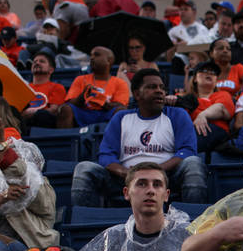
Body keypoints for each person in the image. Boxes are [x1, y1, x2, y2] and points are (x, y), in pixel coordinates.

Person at [72, 68, 206, 207]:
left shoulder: (177, 114)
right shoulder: (121, 118)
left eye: (162, 87)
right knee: (84, 168)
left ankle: (194, 221)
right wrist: (126, 173)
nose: (159, 91)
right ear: (136, 94)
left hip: (167, 177)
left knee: (193, 163)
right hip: (126, 179)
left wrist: (156, 171)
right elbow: (106, 156)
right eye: (151, 87)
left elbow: (187, 151)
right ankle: (85, 220)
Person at [80, 162, 206, 251]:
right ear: (126, 193)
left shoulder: (187, 238)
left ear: (166, 195)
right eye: (142, 184)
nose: (150, 191)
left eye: (157, 185)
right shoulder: (112, 239)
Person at [170, 61, 235, 156]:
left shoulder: (223, 94)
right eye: (203, 71)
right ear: (195, 78)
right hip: (189, 133)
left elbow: (222, 108)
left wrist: (203, 115)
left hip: (215, 132)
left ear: (216, 80)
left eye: (213, 73)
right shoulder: (184, 98)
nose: (209, 73)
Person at [57, 47, 130, 128]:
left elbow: (120, 106)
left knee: (121, 111)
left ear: (109, 60)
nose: (92, 58)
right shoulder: (80, 79)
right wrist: (83, 96)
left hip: (105, 114)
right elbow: (70, 103)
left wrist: (102, 102)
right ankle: (66, 140)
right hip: (84, 113)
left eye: (96, 55)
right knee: (65, 109)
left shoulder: (119, 82)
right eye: (91, 55)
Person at [21, 50, 67, 130]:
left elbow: (54, 110)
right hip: (24, 121)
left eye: (42, 61)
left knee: (42, 115)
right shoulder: (24, 87)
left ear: (51, 70)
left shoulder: (57, 87)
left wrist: (35, 112)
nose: (37, 63)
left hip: (44, 122)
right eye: (34, 61)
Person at [166, 0, 211, 69]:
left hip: (200, 66)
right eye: (181, 9)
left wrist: (187, 45)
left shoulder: (202, 29)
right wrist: (175, 47)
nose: (182, 12)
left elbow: (207, 48)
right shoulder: (173, 31)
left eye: (186, 9)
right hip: (179, 67)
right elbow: (168, 56)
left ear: (194, 12)